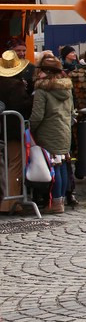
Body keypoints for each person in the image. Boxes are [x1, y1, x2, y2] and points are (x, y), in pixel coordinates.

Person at [29, 57, 75, 213]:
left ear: (45, 72)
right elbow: (71, 111)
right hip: (63, 131)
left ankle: (55, 204)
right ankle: (60, 200)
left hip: (47, 132)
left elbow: (37, 116)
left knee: (53, 168)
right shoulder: (67, 89)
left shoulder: (42, 91)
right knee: (61, 166)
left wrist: (31, 130)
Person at [0, 52, 31, 213]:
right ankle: (9, 202)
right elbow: (21, 106)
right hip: (13, 129)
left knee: (6, 164)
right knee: (15, 165)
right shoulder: (16, 85)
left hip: (4, 129)